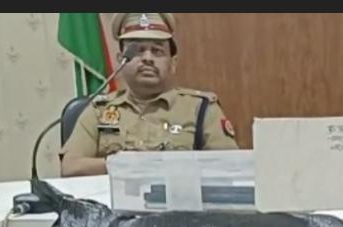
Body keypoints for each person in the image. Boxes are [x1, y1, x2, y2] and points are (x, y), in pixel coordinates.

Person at [61, 13, 239, 177]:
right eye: (138, 50)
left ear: (173, 63)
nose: (147, 58)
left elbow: (232, 168)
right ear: (121, 60)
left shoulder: (201, 109)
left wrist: (167, 167)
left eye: (157, 51)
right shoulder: (99, 110)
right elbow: (70, 167)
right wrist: (120, 164)